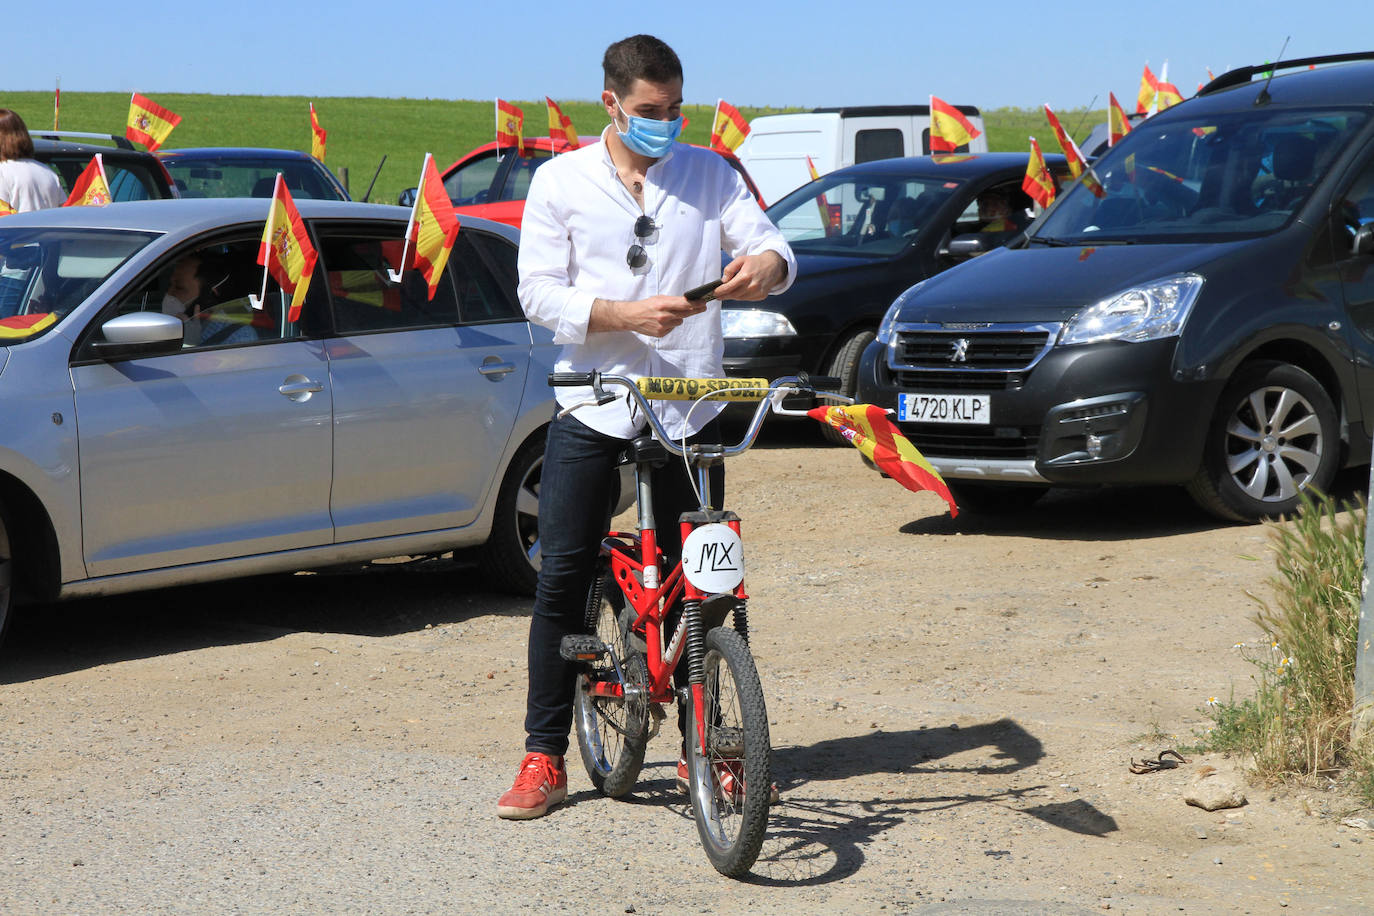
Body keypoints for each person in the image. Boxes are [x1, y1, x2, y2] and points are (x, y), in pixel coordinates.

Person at [500, 34, 796, 820]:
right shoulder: (560, 180)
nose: (665, 124)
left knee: (711, 577)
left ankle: (723, 748)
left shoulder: (710, 173)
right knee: (562, 571)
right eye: (648, 112)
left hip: (689, 405)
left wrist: (766, 265)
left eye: (675, 109)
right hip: (593, 400)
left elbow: (772, 247)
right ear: (611, 103)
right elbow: (535, 292)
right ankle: (543, 755)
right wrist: (619, 314)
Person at [159, 252, 259, 347]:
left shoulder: (239, 337)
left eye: (179, 288)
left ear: (207, 297)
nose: (169, 294)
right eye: (169, 285)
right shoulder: (166, 328)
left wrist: (190, 346)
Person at [0, 109, 65, 213]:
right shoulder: (48, 172)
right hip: (47, 228)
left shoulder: (3, 172)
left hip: (14, 228)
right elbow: (63, 211)